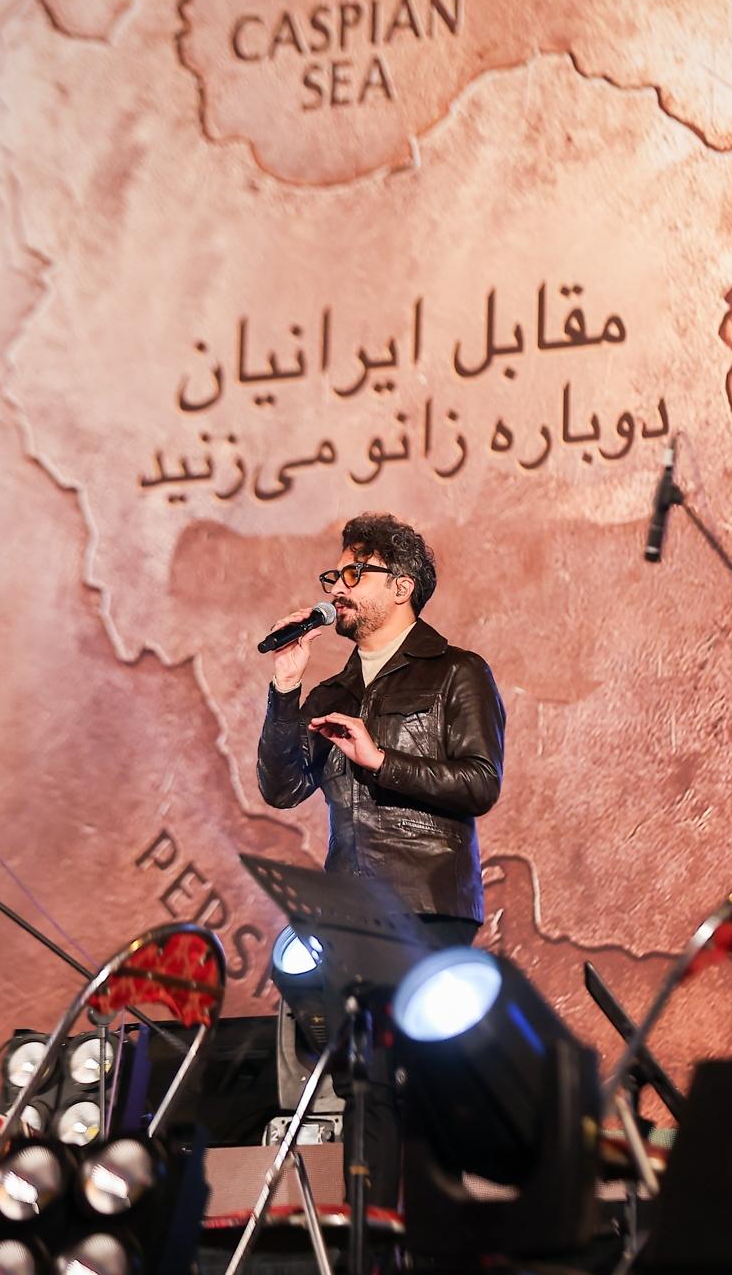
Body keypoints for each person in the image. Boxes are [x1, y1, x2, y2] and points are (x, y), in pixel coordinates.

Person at [256, 511, 506, 1210]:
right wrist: (285, 688)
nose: (337, 588)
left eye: (353, 573)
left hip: (427, 905)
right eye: (333, 575)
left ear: (401, 586)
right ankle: (373, 1248)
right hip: (350, 913)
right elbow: (281, 787)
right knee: (364, 1086)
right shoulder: (333, 692)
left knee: (422, 1084)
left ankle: (434, 1244)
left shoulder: (456, 671)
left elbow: (480, 782)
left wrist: (381, 760)